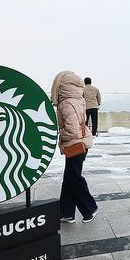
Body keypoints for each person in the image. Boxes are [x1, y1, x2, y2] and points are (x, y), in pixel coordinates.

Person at [51, 71, 98, 223]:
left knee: (74, 179)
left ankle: (90, 208)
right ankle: (67, 212)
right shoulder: (78, 99)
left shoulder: (66, 103)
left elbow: (71, 129)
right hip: (82, 141)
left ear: (61, 86)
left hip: (75, 143)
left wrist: (61, 137)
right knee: (69, 178)